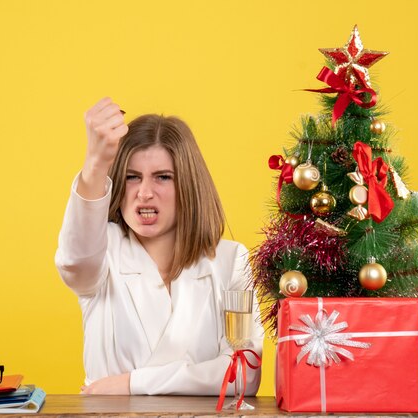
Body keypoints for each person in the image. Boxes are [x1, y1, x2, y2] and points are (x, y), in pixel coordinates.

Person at [55, 97, 263, 395]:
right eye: (132, 177)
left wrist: (130, 384)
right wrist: (96, 163)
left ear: (188, 185)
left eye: (162, 177)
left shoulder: (230, 260)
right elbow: (74, 260)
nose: (144, 193)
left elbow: (243, 374)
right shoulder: (102, 250)